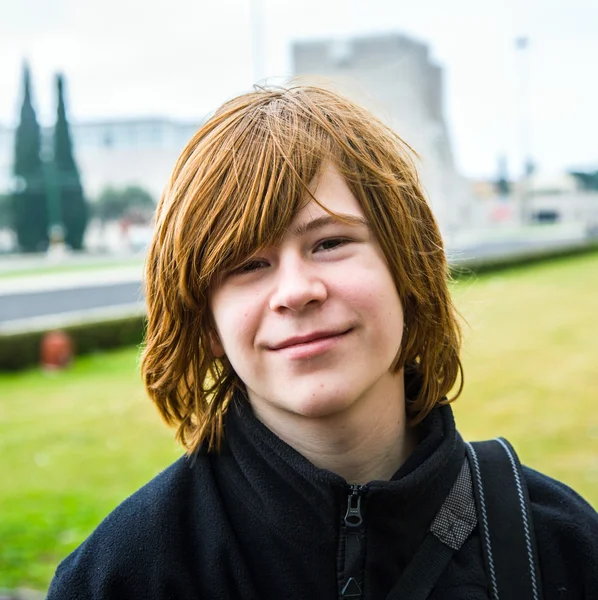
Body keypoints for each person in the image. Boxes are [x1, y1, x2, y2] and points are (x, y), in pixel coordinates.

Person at [46, 85, 598, 600]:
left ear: (408, 270)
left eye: (330, 242)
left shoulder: (560, 544)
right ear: (208, 323)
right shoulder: (121, 576)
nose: (296, 291)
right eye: (248, 264)